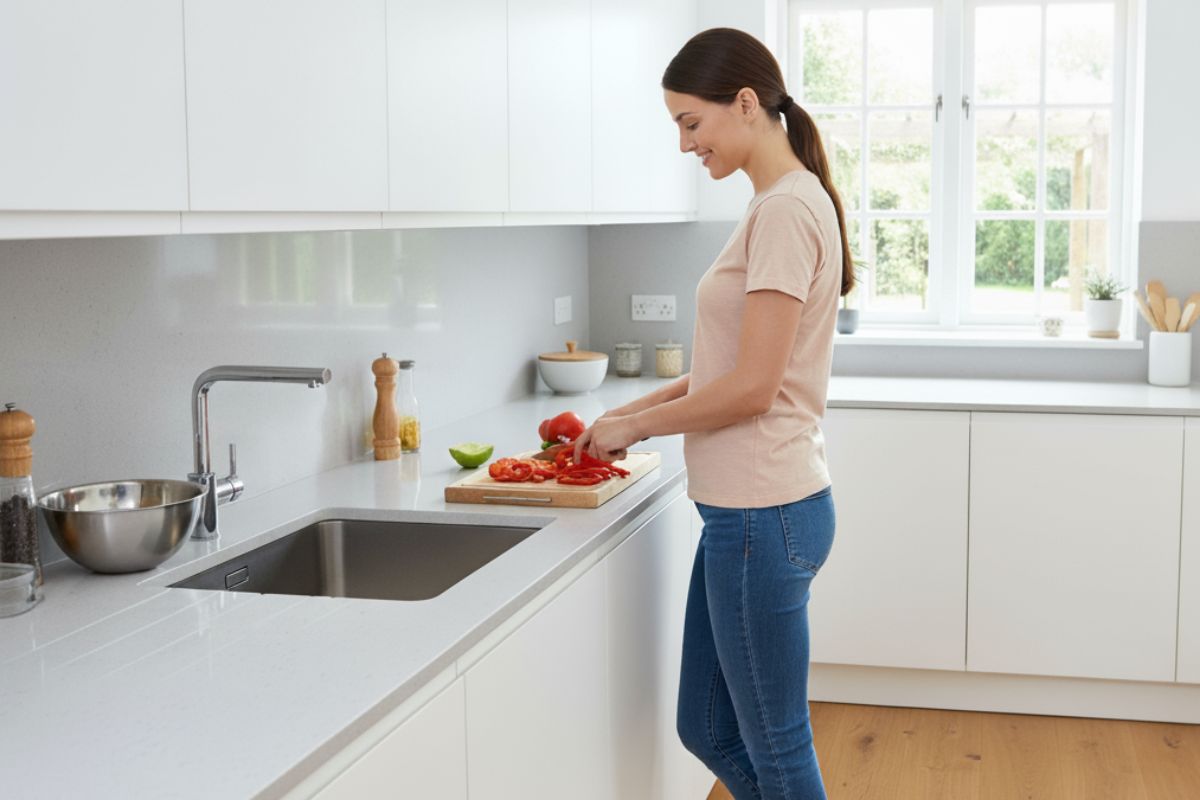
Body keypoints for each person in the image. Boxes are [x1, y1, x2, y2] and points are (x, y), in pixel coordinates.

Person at [572, 27, 855, 800]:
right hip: (748, 514)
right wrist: (631, 408)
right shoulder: (775, 204)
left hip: (767, 512)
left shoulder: (788, 210)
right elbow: (723, 370)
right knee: (708, 726)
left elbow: (755, 388)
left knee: (777, 742)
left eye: (690, 124)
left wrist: (633, 429)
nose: (685, 145)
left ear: (744, 102)